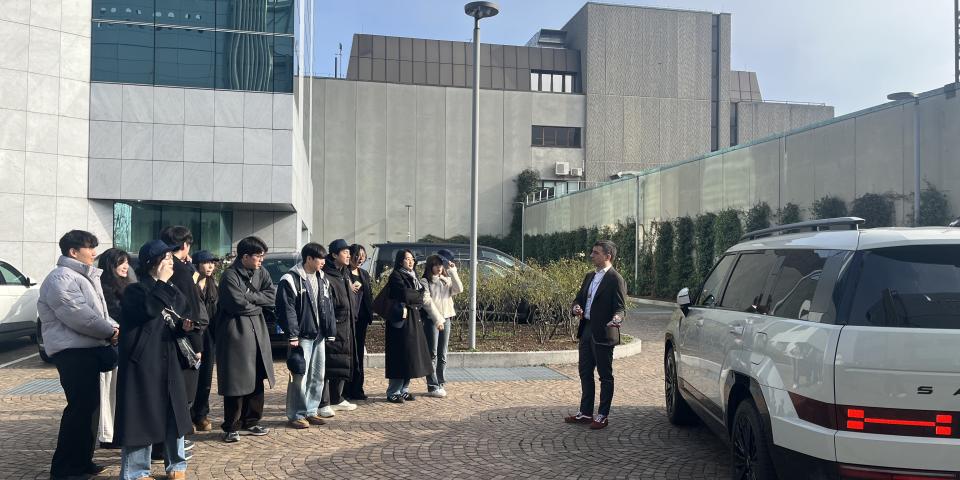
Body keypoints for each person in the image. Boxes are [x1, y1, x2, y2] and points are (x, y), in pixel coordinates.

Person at [39, 230, 117, 480]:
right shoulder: (61, 278)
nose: (94, 252)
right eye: (89, 247)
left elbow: (97, 312)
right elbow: (79, 315)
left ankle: (83, 461)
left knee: (90, 408)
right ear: (73, 252)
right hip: (72, 353)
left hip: (86, 350)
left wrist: (112, 328)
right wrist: (110, 331)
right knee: (79, 410)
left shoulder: (82, 275)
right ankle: (64, 469)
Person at [115, 240, 194, 480]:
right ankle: (136, 471)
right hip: (142, 361)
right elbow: (148, 311)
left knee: (175, 412)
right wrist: (160, 283)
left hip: (168, 357)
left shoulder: (172, 288)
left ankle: (177, 465)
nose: (171, 261)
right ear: (153, 263)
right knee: (141, 414)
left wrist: (184, 326)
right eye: (166, 257)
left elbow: (178, 312)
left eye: (172, 257)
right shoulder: (134, 290)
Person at [216, 236, 276, 443]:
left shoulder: (261, 272)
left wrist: (251, 297)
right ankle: (231, 426)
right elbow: (236, 304)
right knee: (236, 381)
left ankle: (252, 421)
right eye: (258, 257)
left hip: (258, 331)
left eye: (262, 256)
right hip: (236, 333)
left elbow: (272, 296)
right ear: (245, 257)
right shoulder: (229, 276)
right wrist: (257, 302)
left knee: (257, 377)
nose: (261, 261)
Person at [564, 240, 626, 430]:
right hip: (587, 329)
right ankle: (585, 412)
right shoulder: (589, 276)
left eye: (596, 253)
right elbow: (579, 297)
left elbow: (621, 307)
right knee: (585, 372)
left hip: (604, 332)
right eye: (592, 252)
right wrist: (576, 306)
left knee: (605, 376)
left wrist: (617, 318)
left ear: (608, 256)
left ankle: (602, 415)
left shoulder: (616, 279)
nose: (592, 255)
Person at [277, 243, 337, 429]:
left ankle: (311, 411)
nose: (323, 262)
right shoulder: (290, 279)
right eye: (320, 258)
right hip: (302, 336)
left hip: (319, 335)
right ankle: (296, 414)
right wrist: (292, 334)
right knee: (299, 376)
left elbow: (329, 307)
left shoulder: (323, 278)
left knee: (317, 375)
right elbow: (287, 310)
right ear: (309, 258)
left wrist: (330, 331)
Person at [384, 249, 444, 404]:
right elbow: (406, 295)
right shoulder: (396, 275)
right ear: (400, 261)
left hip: (413, 320)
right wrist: (416, 296)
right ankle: (393, 391)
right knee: (400, 356)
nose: (410, 262)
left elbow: (417, 297)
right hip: (400, 322)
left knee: (410, 356)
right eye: (407, 259)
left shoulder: (414, 275)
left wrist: (415, 296)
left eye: (412, 259)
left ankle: (404, 390)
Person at [96, 247, 131, 450]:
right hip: (112, 344)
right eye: (120, 262)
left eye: (126, 261)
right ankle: (108, 436)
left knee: (119, 392)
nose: (125, 266)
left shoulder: (126, 284)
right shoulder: (104, 287)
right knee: (108, 392)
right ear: (111, 265)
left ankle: (116, 432)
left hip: (123, 344)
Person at [318, 239, 358, 417]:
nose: (349, 255)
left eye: (349, 252)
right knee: (328, 364)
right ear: (334, 255)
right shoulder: (326, 275)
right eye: (344, 252)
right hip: (333, 326)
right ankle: (323, 402)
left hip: (347, 325)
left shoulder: (344, 273)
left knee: (341, 362)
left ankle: (337, 398)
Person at [419, 250, 462, 398]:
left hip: (447, 318)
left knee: (443, 354)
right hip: (433, 320)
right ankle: (432, 385)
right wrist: (438, 320)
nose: (438, 268)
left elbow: (459, 289)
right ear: (430, 266)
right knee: (432, 353)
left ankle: (440, 383)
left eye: (440, 265)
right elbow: (426, 302)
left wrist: (452, 271)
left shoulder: (446, 280)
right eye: (435, 265)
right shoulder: (425, 281)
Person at [191, 250, 220, 432]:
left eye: (212, 263)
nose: (210, 266)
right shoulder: (190, 283)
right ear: (197, 264)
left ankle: (201, 414)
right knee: (191, 376)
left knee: (206, 378)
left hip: (209, 336)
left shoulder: (213, 285)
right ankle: (187, 415)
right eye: (206, 262)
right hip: (193, 333)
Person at [344, 244, 373, 401]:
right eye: (357, 255)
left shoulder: (364, 274)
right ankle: (345, 389)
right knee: (349, 354)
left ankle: (357, 388)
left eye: (363, 256)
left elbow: (369, 295)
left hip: (361, 320)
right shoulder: (344, 273)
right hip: (348, 320)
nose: (360, 259)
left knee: (359, 355)